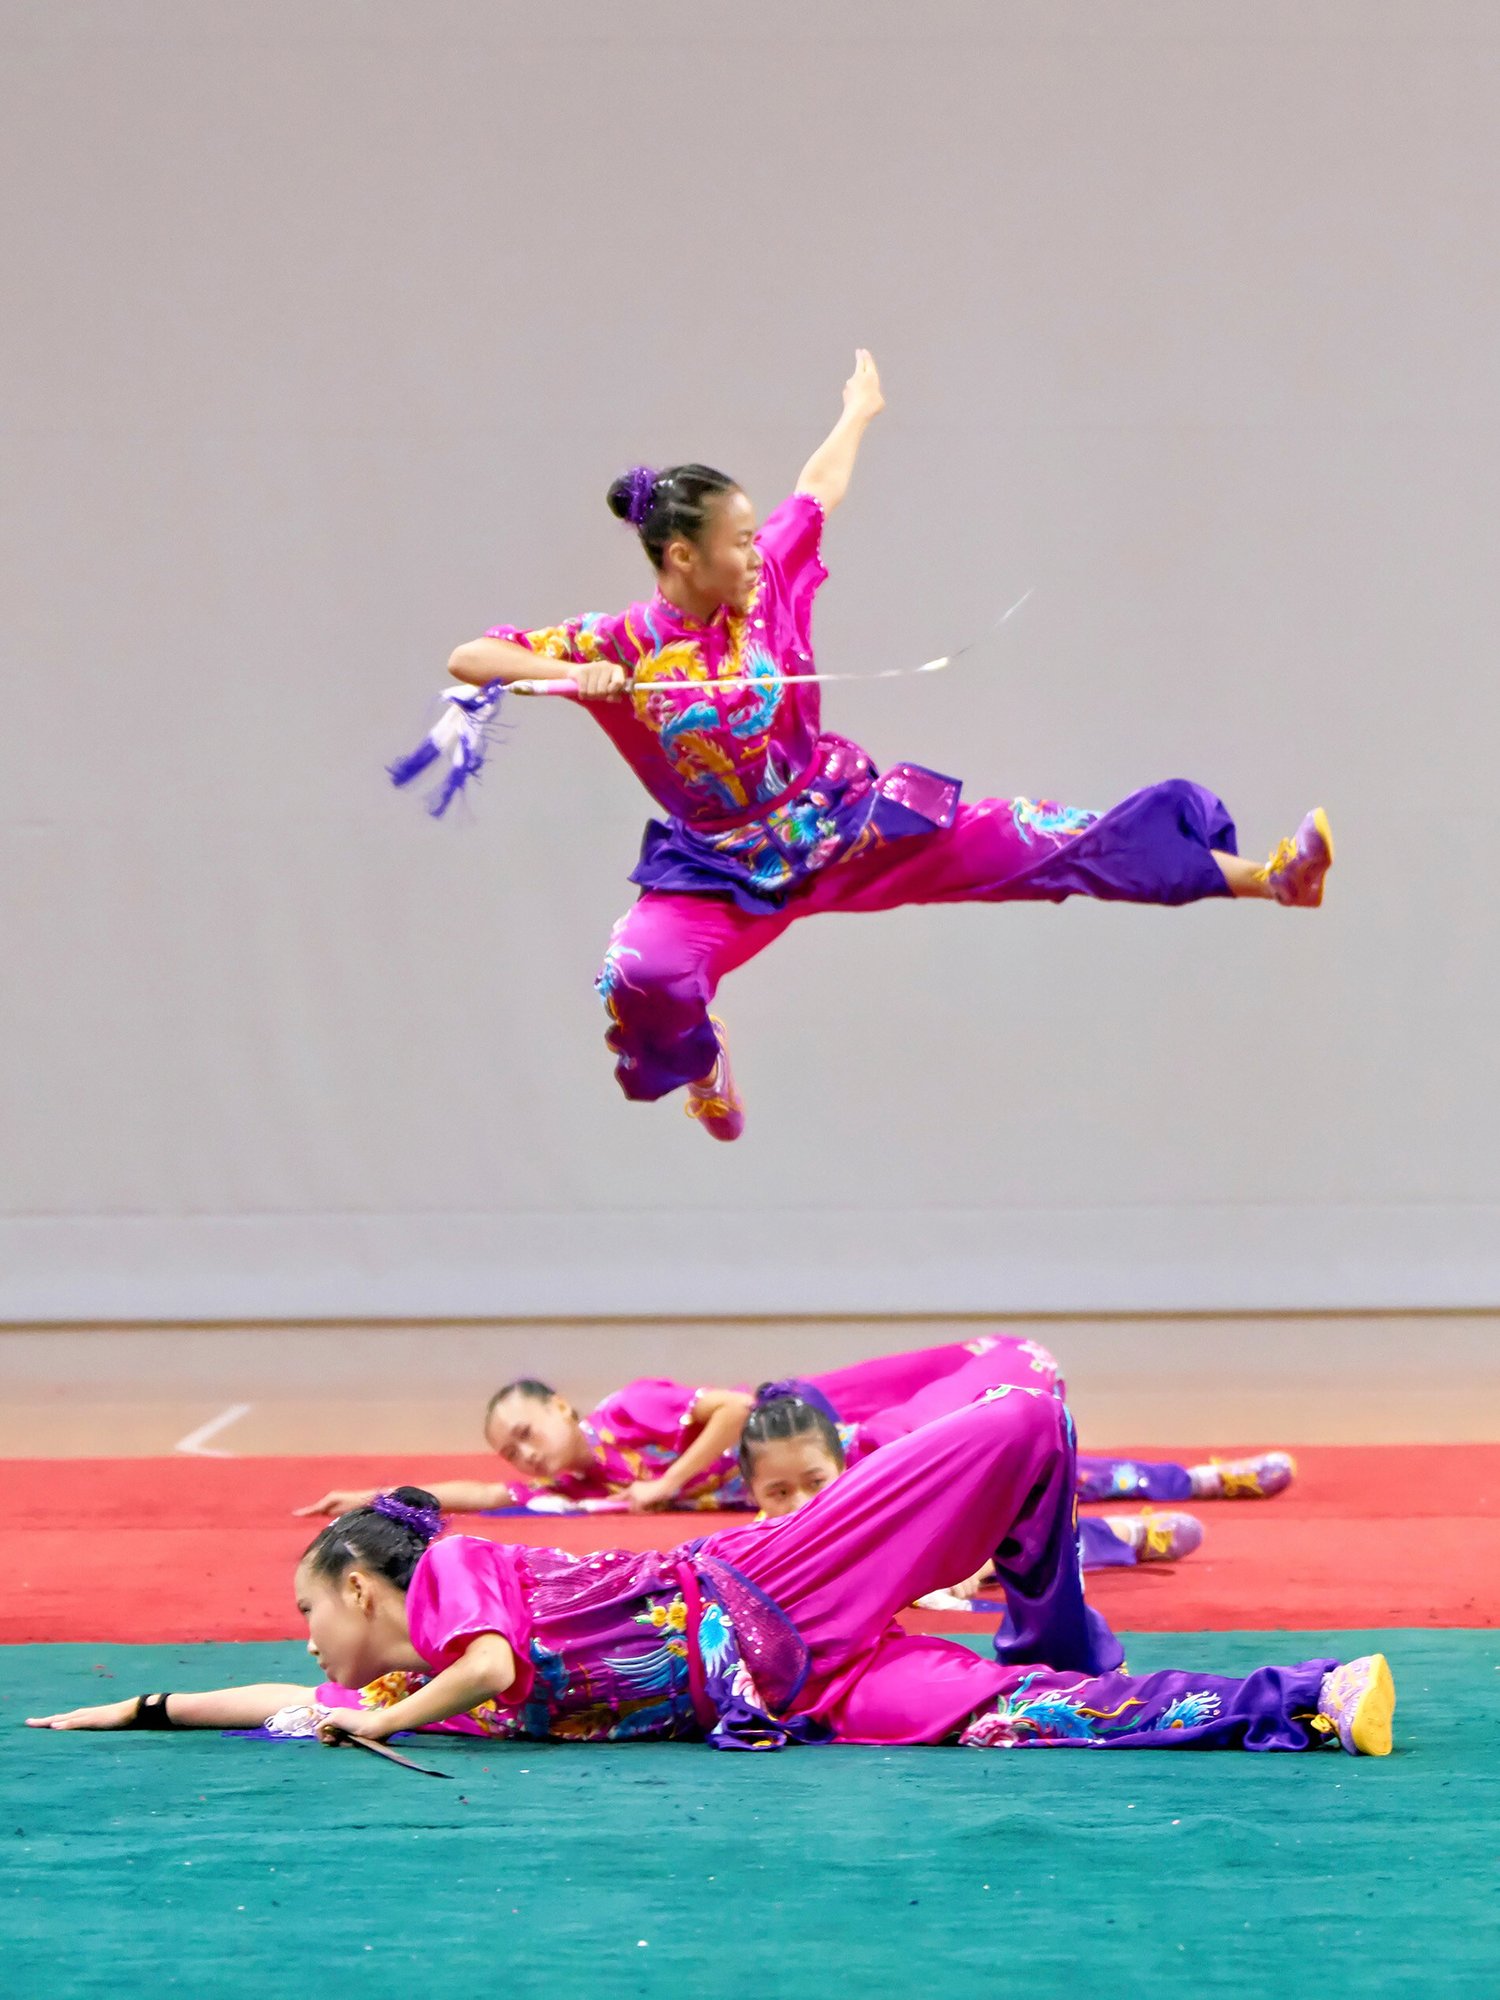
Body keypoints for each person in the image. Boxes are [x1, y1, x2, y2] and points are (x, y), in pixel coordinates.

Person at [437, 350, 1334, 1139]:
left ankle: (1271, 878)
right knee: (640, 975)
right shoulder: (622, 643)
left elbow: (816, 488)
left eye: (755, 540)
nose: (756, 555)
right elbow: (470, 657)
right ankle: (704, 1074)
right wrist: (572, 674)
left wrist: (856, 412)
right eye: (737, 544)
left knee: (1041, 838)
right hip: (718, 874)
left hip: (846, 824)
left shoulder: (776, 573)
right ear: (678, 557)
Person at [32, 1393, 1394, 1757]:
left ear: (357, 1578)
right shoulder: (404, 1665)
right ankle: (1313, 1699)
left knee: (1025, 1422)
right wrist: (124, 1712)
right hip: (794, 1698)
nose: (307, 1641)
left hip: (762, 1587)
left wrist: (373, 1720)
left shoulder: (448, 1581)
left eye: (307, 1613)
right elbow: (276, 1698)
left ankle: (1056, 1616)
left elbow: (495, 1667)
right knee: (1026, 1728)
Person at [292, 1335, 1293, 1536]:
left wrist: (661, 1486)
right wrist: (387, 1496)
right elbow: (487, 1501)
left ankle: (1206, 1476)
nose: (522, 1456)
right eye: (508, 1448)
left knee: (1031, 1461)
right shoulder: (570, 1487)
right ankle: (1131, 1531)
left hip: (840, 1447)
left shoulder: (632, 1412)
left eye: (526, 1430)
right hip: (807, 1497)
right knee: (1011, 1508)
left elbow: (731, 1407)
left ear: (562, 1407)